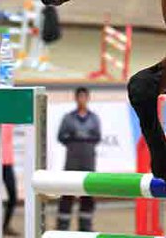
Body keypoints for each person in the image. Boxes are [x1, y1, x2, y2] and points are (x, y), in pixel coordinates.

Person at [56, 87, 102, 231]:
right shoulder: (68, 118)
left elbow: (97, 137)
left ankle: (85, 227)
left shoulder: (94, 118)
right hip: (72, 160)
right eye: (79, 97)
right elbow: (61, 136)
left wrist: (84, 138)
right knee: (67, 194)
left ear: (87, 98)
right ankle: (63, 227)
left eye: (84, 97)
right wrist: (75, 138)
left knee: (87, 195)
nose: (82, 99)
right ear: (76, 98)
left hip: (88, 161)